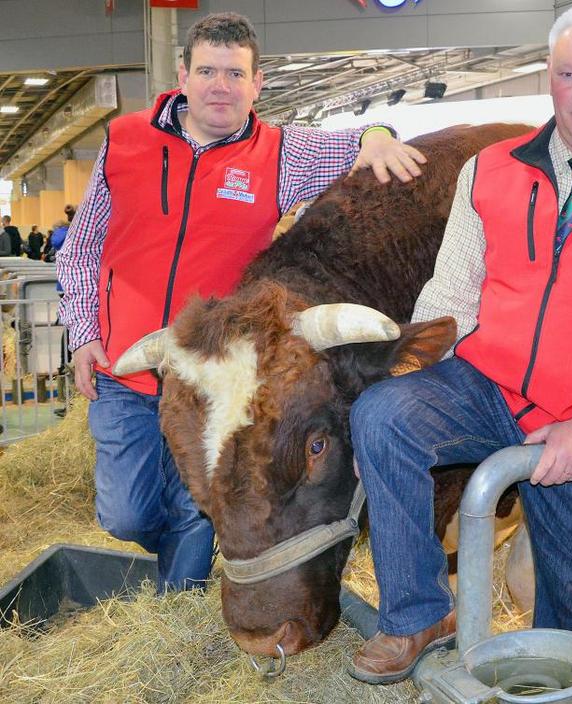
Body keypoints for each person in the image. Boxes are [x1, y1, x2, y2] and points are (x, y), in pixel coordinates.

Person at [348, 2, 572, 685]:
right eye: (569, 74)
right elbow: (449, 296)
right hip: (485, 386)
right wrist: (403, 381)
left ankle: (557, 687)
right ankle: (417, 612)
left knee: (567, 603)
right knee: (380, 416)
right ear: (549, 74)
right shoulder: (489, 170)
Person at [56, 12, 426, 595]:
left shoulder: (281, 154)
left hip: (216, 385)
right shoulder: (124, 141)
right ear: (183, 74)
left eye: (234, 73)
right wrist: (82, 332)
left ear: (257, 83)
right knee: (123, 514)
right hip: (126, 367)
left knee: (200, 508)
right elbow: (81, 249)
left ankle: (179, 606)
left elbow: (360, 139)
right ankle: (179, 557)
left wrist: (378, 137)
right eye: (207, 70)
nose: (219, 85)